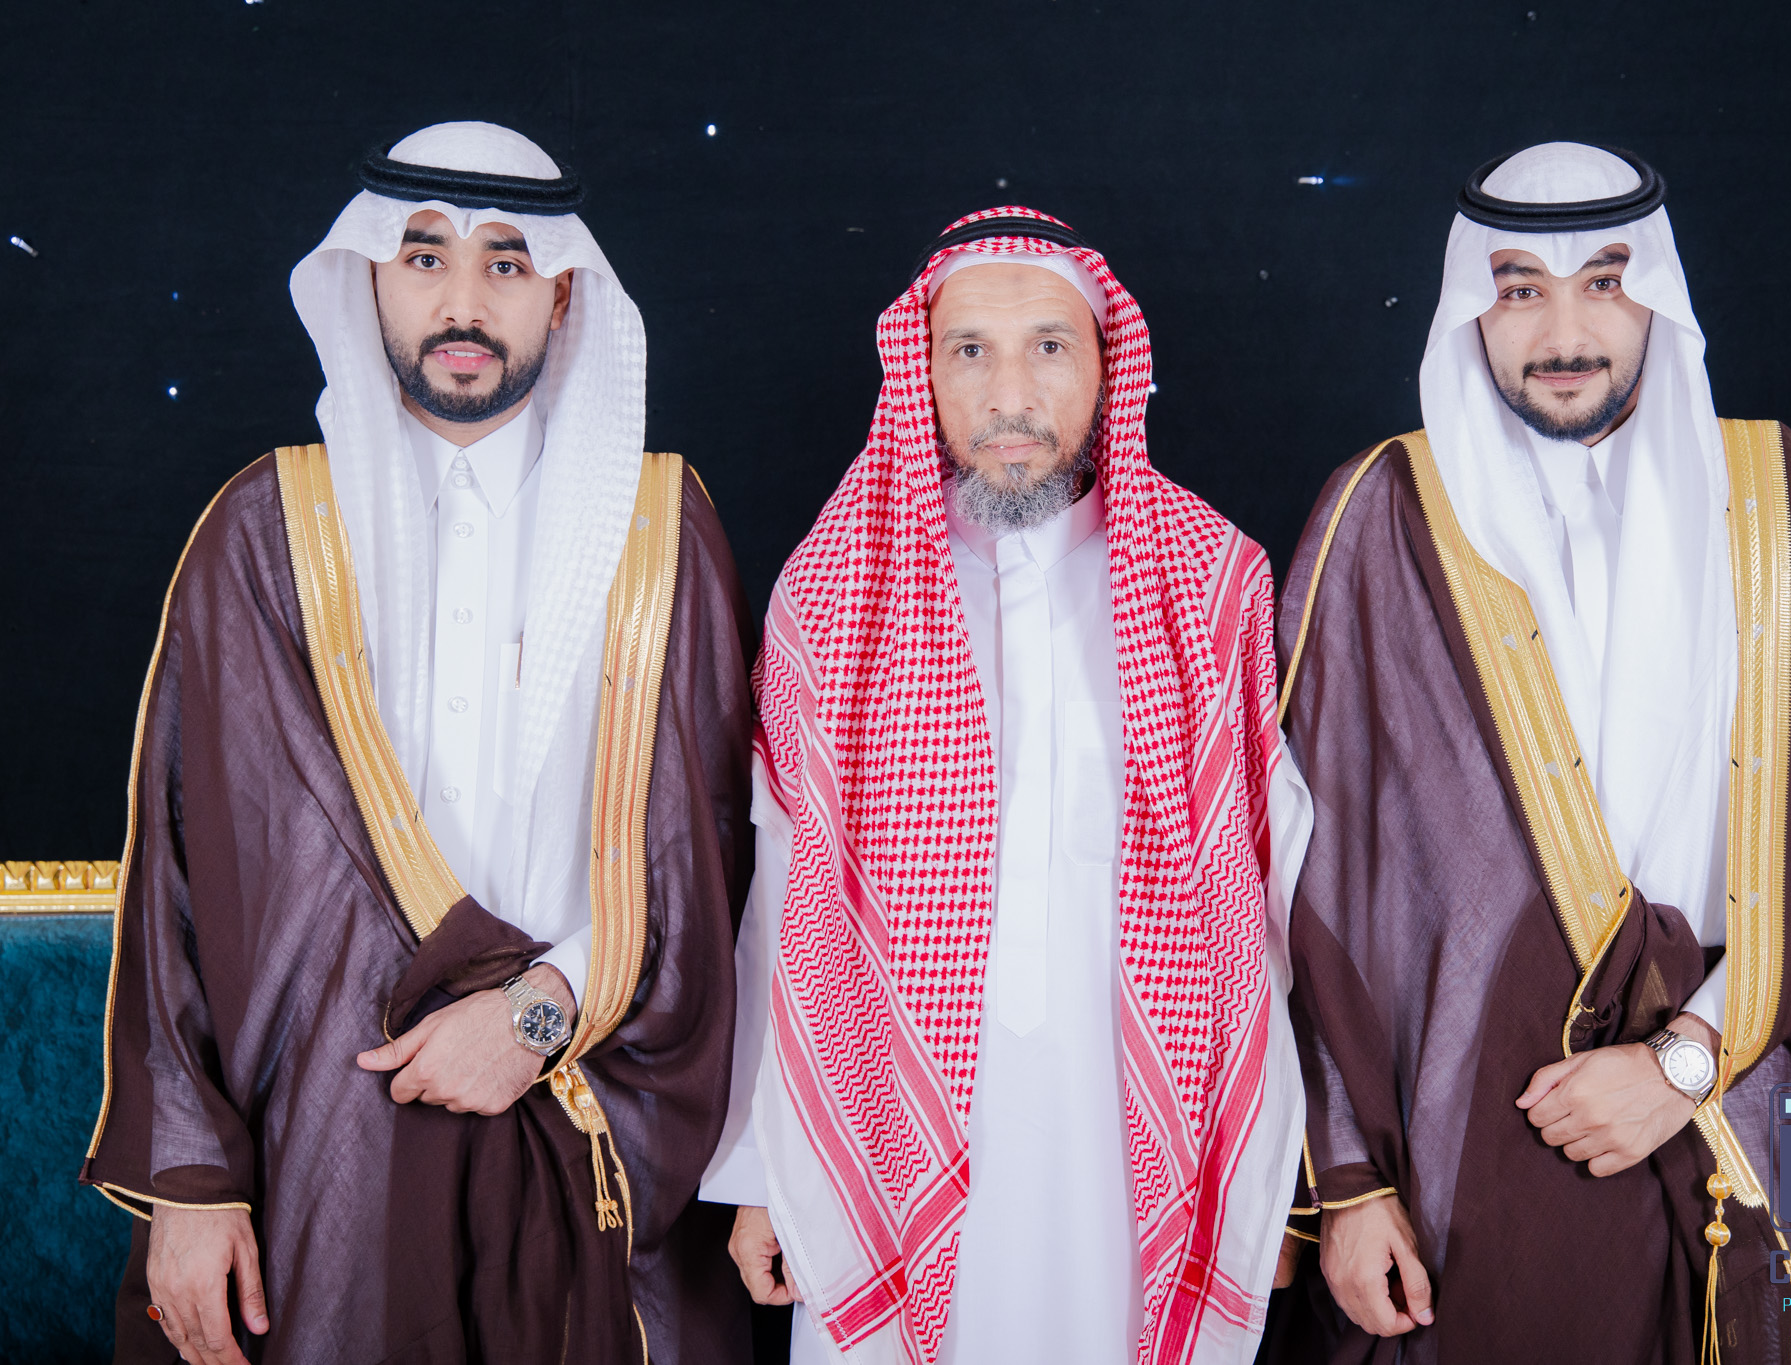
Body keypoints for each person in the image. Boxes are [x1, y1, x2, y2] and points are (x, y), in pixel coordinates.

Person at [1266, 143, 1791, 1363]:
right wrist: (1349, 1184)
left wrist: (1682, 1062)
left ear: (1656, 293)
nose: (1564, 332)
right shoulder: (1378, 517)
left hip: (1749, 1093)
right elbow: (1305, 887)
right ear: (1468, 306)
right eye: (1518, 288)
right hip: (1463, 1149)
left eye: (1603, 282)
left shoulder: (1773, 499)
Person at [81, 122, 756, 1364]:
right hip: (318, 1148)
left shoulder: (656, 535)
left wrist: (538, 1014)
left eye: (506, 264)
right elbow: (174, 882)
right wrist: (192, 1184)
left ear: (563, 293)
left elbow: (708, 863)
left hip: (579, 1107)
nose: (462, 304)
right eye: (425, 257)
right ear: (368, 279)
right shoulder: (261, 533)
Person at [698, 208, 1314, 1364]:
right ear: (920, 373)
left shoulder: (1209, 584)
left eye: (1049, 347)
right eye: (969, 351)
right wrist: (757, 1173)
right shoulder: (832, 596)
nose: (1009, 395)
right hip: (881, 1130)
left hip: (1139, 1135)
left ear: (1107, 368)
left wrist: (1270, 1181)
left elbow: (1263, 901)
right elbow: (780, 903)